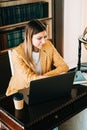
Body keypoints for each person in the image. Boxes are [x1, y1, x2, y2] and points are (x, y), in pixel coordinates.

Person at [6, 19, 69, 96]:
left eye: (45, 37)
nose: (44, 41)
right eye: (39, 38)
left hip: (42, 87)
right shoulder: (17, 53)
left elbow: (64, 67)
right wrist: (51, 77)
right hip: (21, 92)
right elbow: (30, 79)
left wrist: (44, 78)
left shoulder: (48, 45)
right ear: (29, 38)